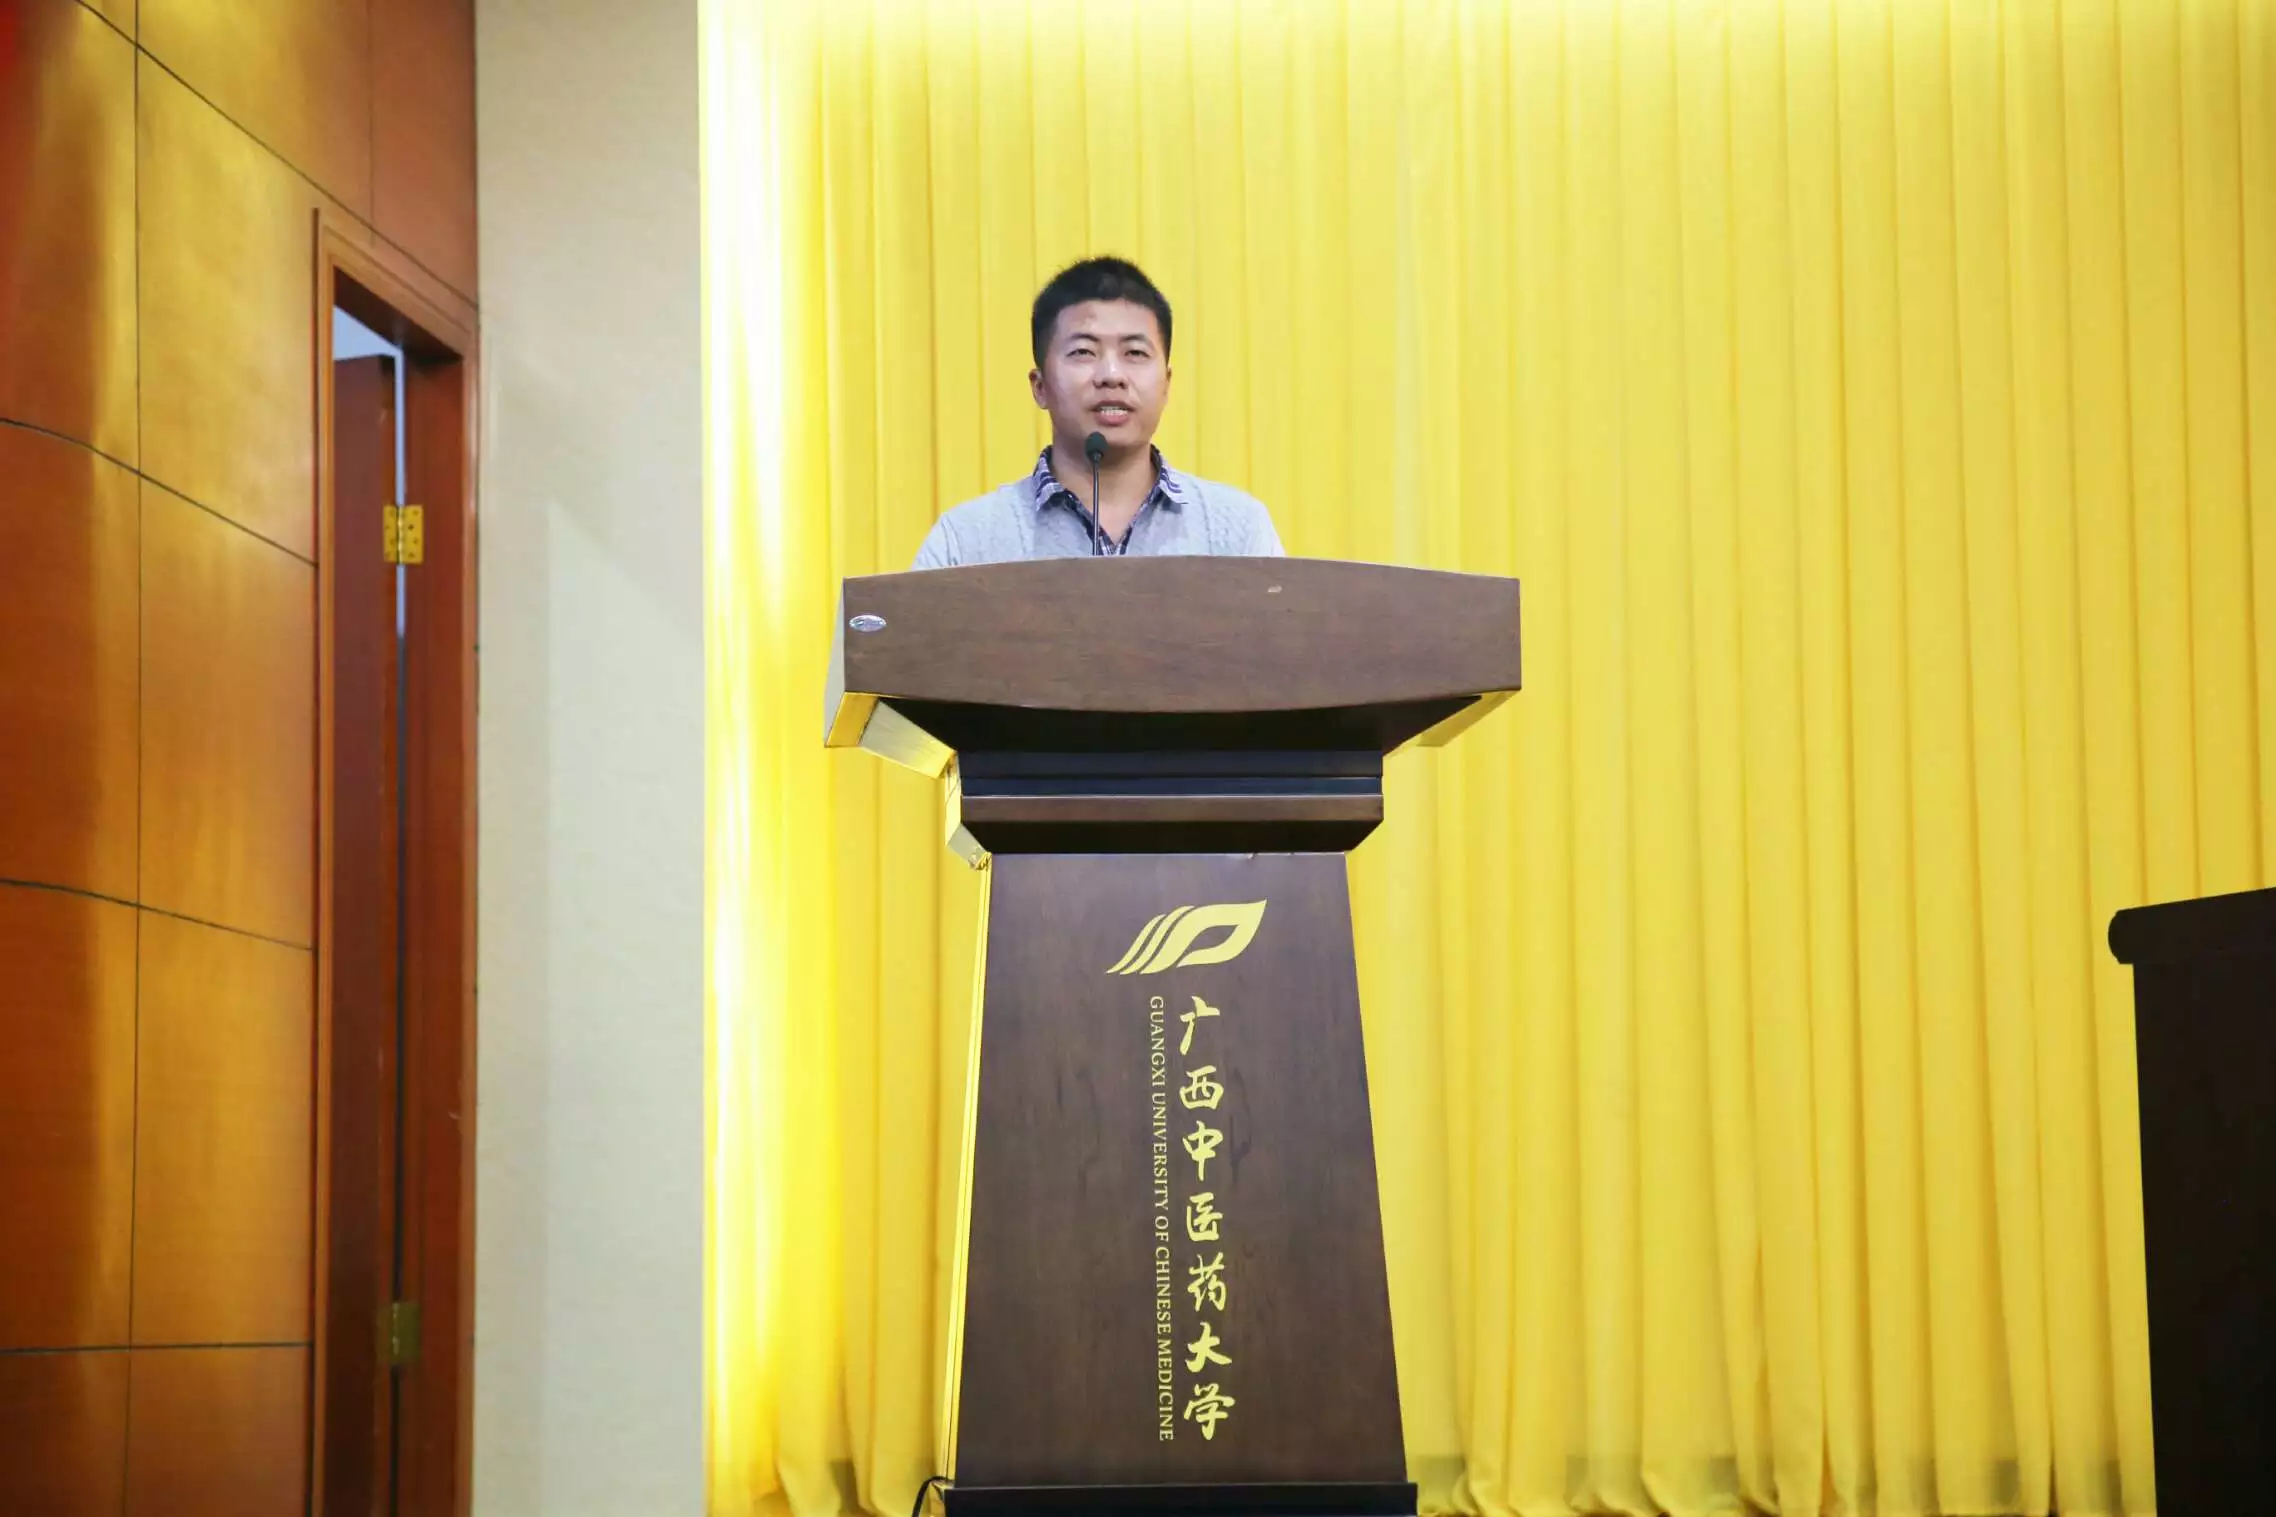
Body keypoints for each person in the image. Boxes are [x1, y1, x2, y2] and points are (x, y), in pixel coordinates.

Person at [911, 257, 1285, 567]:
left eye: (1135, 353)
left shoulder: (1236, 532)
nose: (1111, 375)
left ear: (1166, 384)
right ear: (1040, 386)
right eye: (1083, 352)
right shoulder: (966, 542)